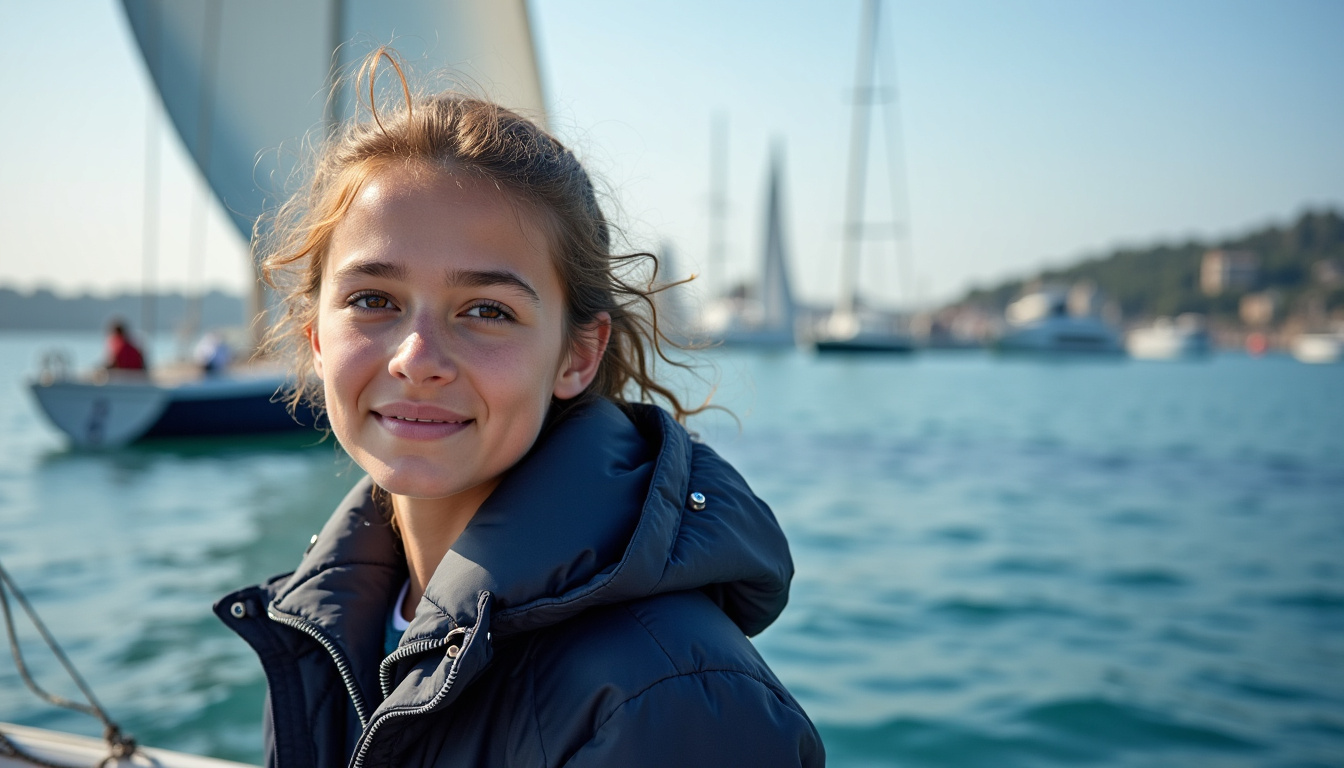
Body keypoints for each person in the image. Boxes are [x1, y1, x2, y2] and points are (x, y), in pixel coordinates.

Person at [216, 52, 823, 767]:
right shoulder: (321, 627)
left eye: (485, 310)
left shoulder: (660, 693)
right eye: (373, 300)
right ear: (317, 337)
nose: (417, 356)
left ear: (577, 355)